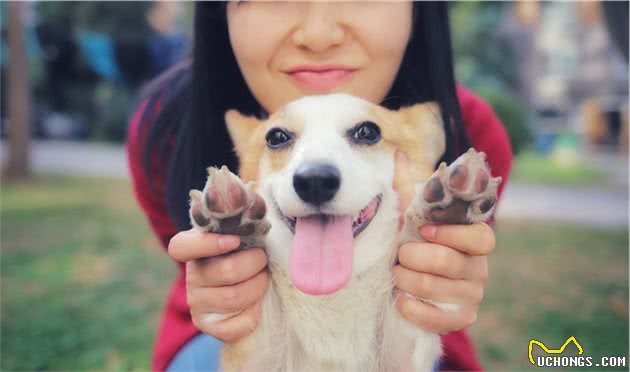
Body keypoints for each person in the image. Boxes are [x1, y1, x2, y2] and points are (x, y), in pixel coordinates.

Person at [126, 2, 512, 371]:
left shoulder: (469, 132)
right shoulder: (167, 131)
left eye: (365, 133)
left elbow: (436, 321)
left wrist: (440, 279)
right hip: (231, 338)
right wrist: (223, 280)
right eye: (279, 138)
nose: (319, 35)